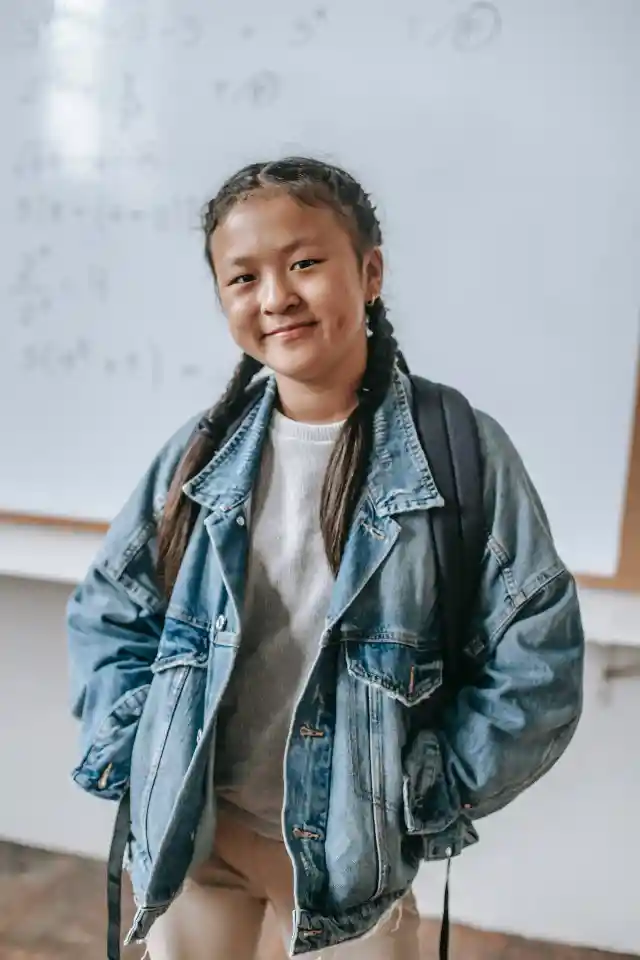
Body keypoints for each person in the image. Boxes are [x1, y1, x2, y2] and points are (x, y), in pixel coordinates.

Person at [67, 157, 585, 960]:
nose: (275, 296)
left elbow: (537, 659)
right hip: (199, 837)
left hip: (352, 859)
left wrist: (423, 793)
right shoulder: (202, 454)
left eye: (304, 262)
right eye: (244, 278)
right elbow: (110, 611)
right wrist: (142, 749)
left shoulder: (457, 451)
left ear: (370, 273)